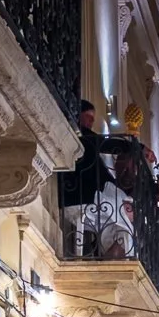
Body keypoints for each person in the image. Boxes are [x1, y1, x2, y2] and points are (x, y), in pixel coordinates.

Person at [57, 101, 131, 255]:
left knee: (123, 228)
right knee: (122, 216)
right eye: (89, 117)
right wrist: (132, 148)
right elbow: (103, 143)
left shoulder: (88, 141)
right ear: (79, 116)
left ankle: (120, 258)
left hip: (88, 195)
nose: (91, 122)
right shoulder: (80, 135)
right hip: (79, 193)